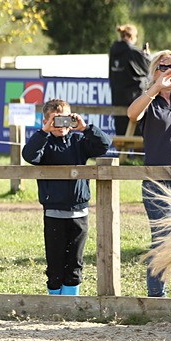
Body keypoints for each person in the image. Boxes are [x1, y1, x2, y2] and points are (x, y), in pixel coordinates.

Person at [21, 99, 113, 295]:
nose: (61, 125)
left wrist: (85, 128)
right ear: (46, 121)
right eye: (55, 120)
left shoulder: (79, 142)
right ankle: (55, 303)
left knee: (75, 263)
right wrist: (44, 132)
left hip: (79, 213)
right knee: (54, 264)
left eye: (65, 120)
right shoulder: (43, 143)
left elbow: (104, 145)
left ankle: (71, 303)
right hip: (54, 212)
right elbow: (29, 156)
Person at [126, 49, 171, 297]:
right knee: (162, 239)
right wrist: (156, 88)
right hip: (157, 181)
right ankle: (157, 298)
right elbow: (132, 114)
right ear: (155, 70)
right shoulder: (150, 99)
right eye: (165, 66)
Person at [108, 24, 149, 137]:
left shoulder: (113, 51)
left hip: (118, 100)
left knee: (122, 138)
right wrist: (146, 56)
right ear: (132, 37)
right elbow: (150, 69)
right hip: (135, 101)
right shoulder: (132, 52)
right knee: (140, 138)